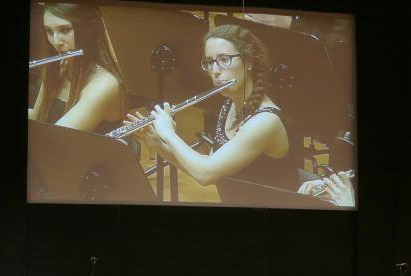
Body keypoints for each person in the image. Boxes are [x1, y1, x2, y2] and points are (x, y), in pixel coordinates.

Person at [130, 24, 308, 206]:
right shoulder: (229, 105)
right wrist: (158, 145)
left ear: (249, 62)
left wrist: (169, 133)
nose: (215, 70)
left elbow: (205, 174)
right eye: (209, 62)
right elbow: (213, 168)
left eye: (224, 60)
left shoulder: (265, 122)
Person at [29, 3, 125, 133]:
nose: (56, 41)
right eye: (49, 31)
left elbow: (55, 139)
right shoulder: (60, 68)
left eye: (65, 30)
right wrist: (48, 85)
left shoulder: (105, 85)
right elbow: (37, 118)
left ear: (87, 30)